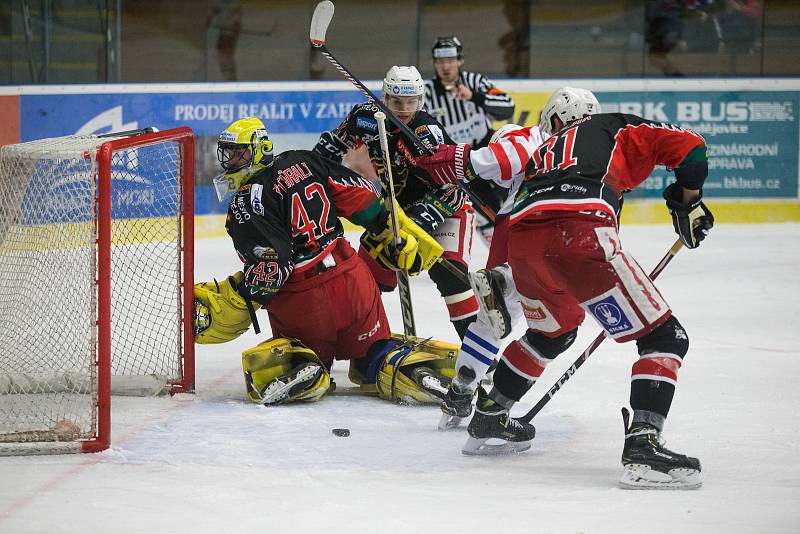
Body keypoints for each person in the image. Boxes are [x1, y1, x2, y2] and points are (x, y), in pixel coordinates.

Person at [414, 89, 715, 490]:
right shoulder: (616, 126)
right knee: (665, 336)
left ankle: (489, 416)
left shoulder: (545, 145)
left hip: (522, 241)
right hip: (580, 232)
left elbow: (499, 173)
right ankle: (643, 445)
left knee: (552, 331)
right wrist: (687, 200)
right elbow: (693, 149)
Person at [193, 117, 459, 407]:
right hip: (353, 282)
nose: (230, 160)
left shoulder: (246, 201)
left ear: (260, 149)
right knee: (374, 352)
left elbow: (273, 268)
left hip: (303, 301)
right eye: (228, 152)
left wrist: (242, 297)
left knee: (298, 353)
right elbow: (365, 198)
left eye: (238, 152)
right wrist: (387, 227)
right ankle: (401, 368)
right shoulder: (304, 160)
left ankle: (306, 369)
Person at [435, 88, 600, 431]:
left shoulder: (526, 138)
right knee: (554, 325)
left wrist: (448, 163)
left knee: (495, 320)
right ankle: (506, 281)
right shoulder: (560, 146)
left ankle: (460, 391)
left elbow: (489, 164)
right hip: (551, 232)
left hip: (513, 226)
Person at [314, 65, 480, 339]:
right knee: (363, 279)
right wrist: (314, 168)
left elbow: (455, 186)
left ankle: (478, 355)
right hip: (398, 214)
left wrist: (419, 221)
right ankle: (363, 347)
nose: (404, 108)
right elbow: (333, 146)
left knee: (451, 276)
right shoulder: (365, 118)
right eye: (396, 101)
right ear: (385, 97)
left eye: (411, 101)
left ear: (421, 100)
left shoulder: (427, 134)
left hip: (447, 209)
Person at [424, 36, 516, 246]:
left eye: (451, 60)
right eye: (440, 62)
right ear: (434, 63)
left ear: (460, 61)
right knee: (488, 212)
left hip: (488, 148)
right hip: (460, 161)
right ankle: (503, 257)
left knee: (516, 196)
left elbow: (508, 105)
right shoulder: (427, 93)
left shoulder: (474, 82)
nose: (446, 67)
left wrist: (475, 97)